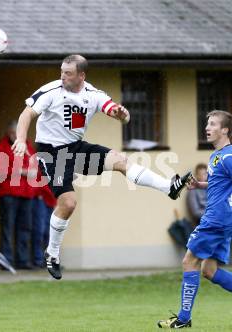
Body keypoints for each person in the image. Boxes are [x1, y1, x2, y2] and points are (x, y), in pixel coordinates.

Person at [12, 54, 192, 280]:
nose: (63, 77)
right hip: (52, 152)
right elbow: (26, 113)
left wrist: (122, 115)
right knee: (68, 203)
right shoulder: (51, 91)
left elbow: (116, 112)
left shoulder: (93, 95)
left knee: (120, 161)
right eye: (62, 72)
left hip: (76, 149)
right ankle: (53, 252)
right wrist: (20, 139)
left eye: (68, 73)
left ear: (81, 75)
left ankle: (168, 187)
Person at [158, 110, 232, 328]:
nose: (207, 128)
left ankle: (183, 319)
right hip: (222, 220)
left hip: (216, 220)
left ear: (225, 130)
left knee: (189, 261)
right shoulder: (217, 155)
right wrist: (200, 185)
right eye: (207, 124)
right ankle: (184, 318)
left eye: (212, 124)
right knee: (209, 271)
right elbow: (221, 185)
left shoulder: (228, 157)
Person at [0, 121, 38, 269]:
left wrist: (24, 172)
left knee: (25, 228)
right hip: (9, 193)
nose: (14, 136)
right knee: (8, 227)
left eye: (17, 133)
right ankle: (7, 261)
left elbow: (35, 168)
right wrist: (22, 172)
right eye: (12, 133)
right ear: (8, 133)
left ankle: (22, 260)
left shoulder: (28, 147)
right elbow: (0, 171)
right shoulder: (1, 147)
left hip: (27, 193)